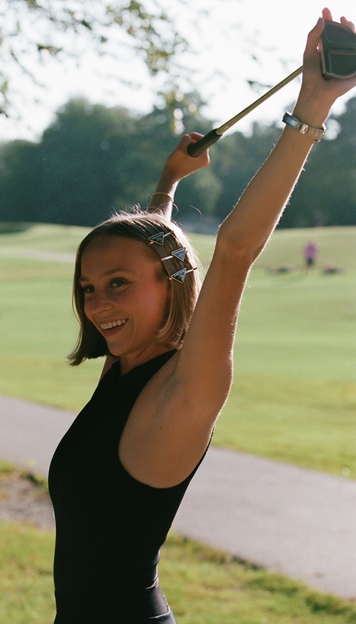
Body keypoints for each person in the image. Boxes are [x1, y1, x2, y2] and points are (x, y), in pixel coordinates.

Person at [48, 9, 356, 623]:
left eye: (115, 285)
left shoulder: (187, 387)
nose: (97, 304)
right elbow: (158, 262)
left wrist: (312, 105)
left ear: (171, 285)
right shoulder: (128, 364)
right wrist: (167, 182)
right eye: (87, 288)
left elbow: (235, 249)